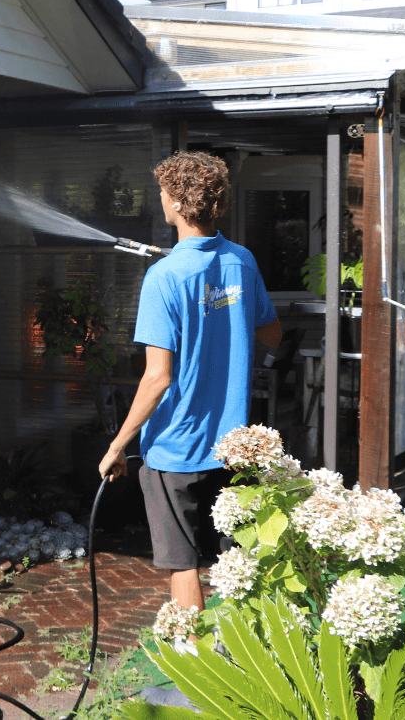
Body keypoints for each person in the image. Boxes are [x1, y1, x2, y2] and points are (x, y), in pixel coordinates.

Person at [98, 151, 281, 707]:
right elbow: (270, 335)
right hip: (235, 448)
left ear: (177, 204)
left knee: (183, 566)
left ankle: (199, 690)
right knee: (237, 564)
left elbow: (157, 379)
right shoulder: (242, 262)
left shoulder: (164, 277)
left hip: (175, 450)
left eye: (161, 194)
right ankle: (251, 669)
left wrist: (117, 444)